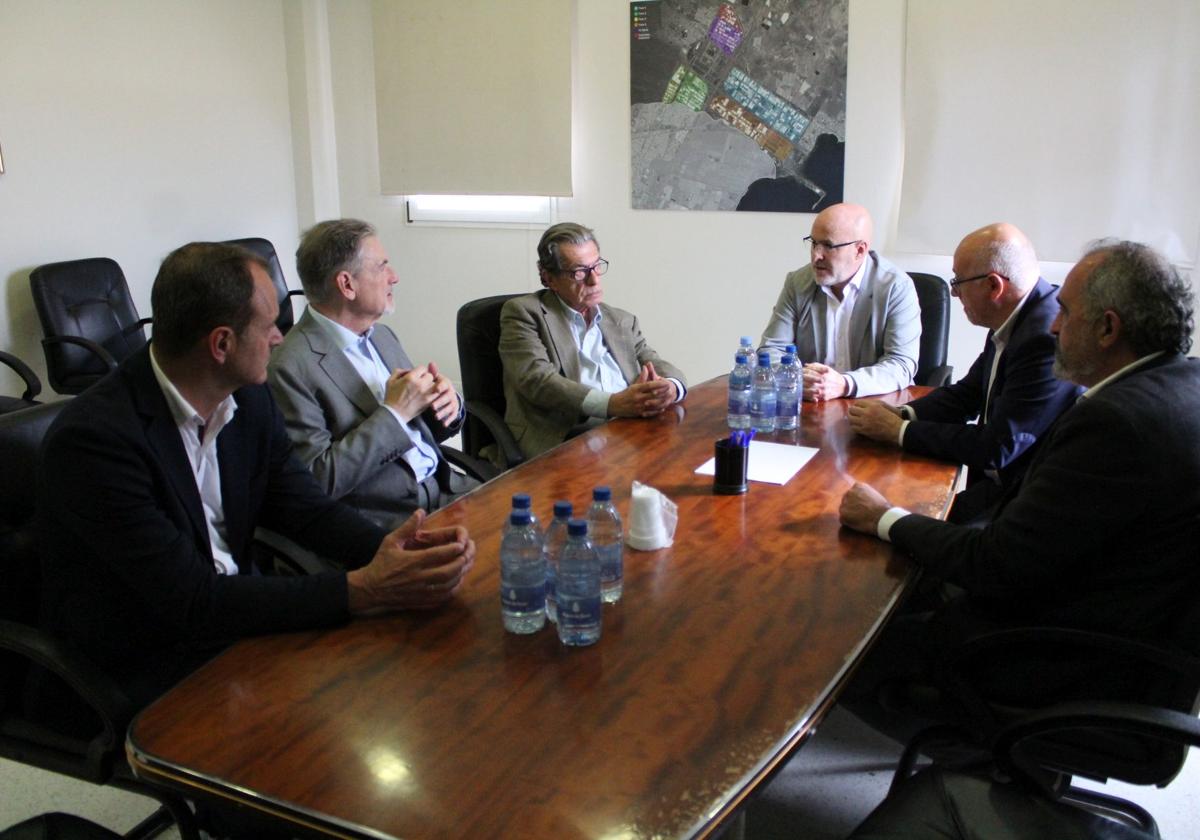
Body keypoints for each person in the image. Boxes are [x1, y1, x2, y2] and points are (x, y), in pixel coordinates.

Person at [38, 242, 476, 710]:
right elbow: (189, 602)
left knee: (417, 687)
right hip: (151, 663)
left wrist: (395, 554)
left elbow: (305, 509)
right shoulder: (95, 442)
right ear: (221, 344)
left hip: (237, 623)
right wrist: (363, 589)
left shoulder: (247, 397)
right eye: (269, 327)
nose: (279, 339)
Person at [838, 240, 1200, 730]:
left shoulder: (1115, 423)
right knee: (905, 587)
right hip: (1134, 635)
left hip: (1066, 657)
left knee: (844, 638)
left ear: (1108, 328)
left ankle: (974, 751)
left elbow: (993, 563)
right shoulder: (1180, 383)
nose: (1053, 324)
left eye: (1066, 313)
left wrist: (885, 517)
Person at [847, 223, 1081, 523]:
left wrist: (898, 432)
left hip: (1019, 500)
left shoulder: (1043, 338)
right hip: (994, 484)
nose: (954, 293)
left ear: (993, 286)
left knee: (893, 524)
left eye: (958, 282)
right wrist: (901, 414)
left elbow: (998, 446)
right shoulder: (1015, 317)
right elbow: (968, 394)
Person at [268, 219, 478, 528]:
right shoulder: (290, 367)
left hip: (448, 490)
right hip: (388, 519)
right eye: (382, 267)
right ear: (347, 285)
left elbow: (423, 431)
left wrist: (446, 406)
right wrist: (394, 413)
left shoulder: (382, 336)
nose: (394, 277)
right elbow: (317, 481)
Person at [499, 222, 687, 459]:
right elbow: (538, 381)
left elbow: (653, 360)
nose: (594, 280)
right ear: (549, 278)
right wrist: (612, 403)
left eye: (596, 266)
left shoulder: (621, 319)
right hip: (565, 435)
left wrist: (670, 387)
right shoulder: (524, 313)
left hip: (628, 429)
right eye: (579, 272)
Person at [759, 202, 920, 401]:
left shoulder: (896, 287)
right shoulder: (797, 283)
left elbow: (901, 364)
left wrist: (845, 384)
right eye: (813, 243)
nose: (816, 255)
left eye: (828, 245)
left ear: (860, 250)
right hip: (813, 405)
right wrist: (796, 378)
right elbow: (772, 349)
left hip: (875, 406)